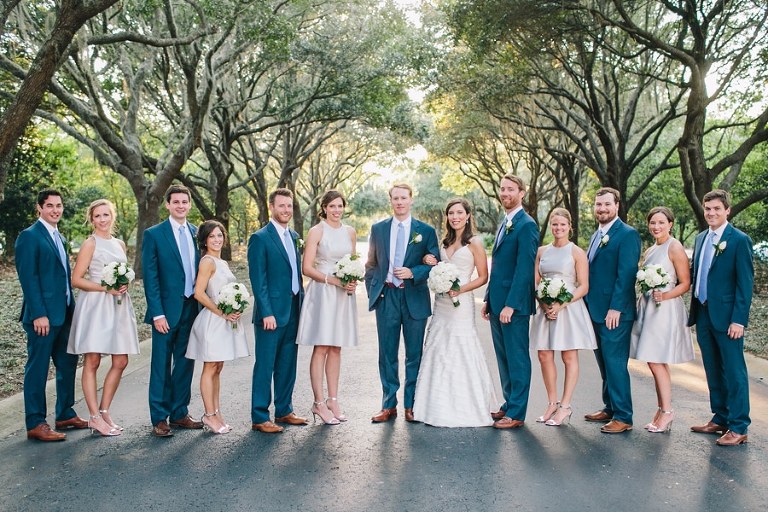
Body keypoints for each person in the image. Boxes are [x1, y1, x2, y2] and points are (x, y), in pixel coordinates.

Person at [412, 198, 497, 427]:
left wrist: (459, 289)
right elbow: (439, 266)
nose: (455, 217)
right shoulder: (444, 241)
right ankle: (433, 404)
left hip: (461, 303)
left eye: (460, 212)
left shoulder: (475, 242)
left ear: (468, 215)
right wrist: (428, 260)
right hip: (441, 304)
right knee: (438, 346)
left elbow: (483, 276)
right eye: (451, 213)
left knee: (460, 346)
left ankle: (467, 404)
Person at [15, 189, 87, 441]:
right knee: (38, 368)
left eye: (58, 205)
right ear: (39, 208)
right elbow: (28, 278)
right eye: (50, 206)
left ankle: (65, 413)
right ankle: (35, 422)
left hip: (65, 313)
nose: (55, 210)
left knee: (67, 364)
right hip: (42, 317)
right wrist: (38, 314)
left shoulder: (60, 237)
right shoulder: (29, 237)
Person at [365, 183, 439, 423]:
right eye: (395, 198)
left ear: (411, 200)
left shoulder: (425, 231)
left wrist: (414, 272)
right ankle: (388, 405)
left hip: (413, 297)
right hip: (387, 297)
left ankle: (412, 404)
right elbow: (371, 264)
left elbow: (433, 263)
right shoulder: (378, 229)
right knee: (387, 354)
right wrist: (373, 291)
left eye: (403, 198)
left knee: (414, 354)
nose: (399, 202)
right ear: (390, 200)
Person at [68, 199, 140, 436]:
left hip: (118, 305)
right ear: (92, 219)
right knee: (93, 361)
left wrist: (122, 284)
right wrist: (104, 288)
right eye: (97, 216)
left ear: (113, 216)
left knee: (121, 361)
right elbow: (76, 279)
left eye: (106, 215)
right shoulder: (90, 243)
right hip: (96, 305)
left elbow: (124, 272)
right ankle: (95, 417)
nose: (102, 220)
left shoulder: (119, 243)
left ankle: (105, 410)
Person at [688, 189, 754, 446]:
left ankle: (739, 426)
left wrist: (739, 320)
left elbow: (745, 284)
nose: (711, 213)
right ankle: (721, 416)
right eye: (707, 209)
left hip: (728, 318)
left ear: (727, 210)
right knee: (713, 368)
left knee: (735, 371)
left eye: (716, 208)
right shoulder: (701, 237)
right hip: (703, 313)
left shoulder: (739, 240)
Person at [142, 184, 203, 437]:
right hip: (165, 311)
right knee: (160, 365)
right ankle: (159, 417)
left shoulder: (197, 233)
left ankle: (179, 413)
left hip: (191, 307)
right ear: (168, 205)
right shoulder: (154, 234)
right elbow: (151, 276)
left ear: (189, 205)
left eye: (184, 202)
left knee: (185, 363)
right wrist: (157, 313)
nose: (180, 206)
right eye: (175, 202)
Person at [296, 191, 359, 425]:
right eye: (332, 206)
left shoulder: (350, 231)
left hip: (343, 294)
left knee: (336, 348)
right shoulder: (317, 231)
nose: (336, 210)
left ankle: (333, 399)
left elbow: (352, 263)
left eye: (340, 205)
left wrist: (352, 282)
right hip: (323, 292)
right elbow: (307, 267)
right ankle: (318, 402)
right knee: (321, 347)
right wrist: (333, 281)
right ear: (324, 208)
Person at [529, 208, 596, 427]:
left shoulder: (576, 252)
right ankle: (552, 402)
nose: (558, 228)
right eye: (554, 224)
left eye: (562, 225)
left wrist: (561, 303)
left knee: (568, 356)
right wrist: (544, 303)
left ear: (570, 227)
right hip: (545, 307)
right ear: (550, 226)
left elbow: (584, 286)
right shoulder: (541, 251)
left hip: (569, 308)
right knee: (544, 355)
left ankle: (565, 406)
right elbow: (536, 282)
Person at [249, 188, 308, 433]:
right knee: (265, 364)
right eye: (281, 206)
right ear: (272, 207)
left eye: (289, 206)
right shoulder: (260, 238)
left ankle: (284, 410)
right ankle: (260, 416)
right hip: (271, 313)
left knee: (287, 363)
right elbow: (258, 279)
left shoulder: (294, 235)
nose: (286, 210)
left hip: (294, 308)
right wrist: (266, 312)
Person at [482, 174, 539, 429]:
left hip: (513, 306)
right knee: (503, 357)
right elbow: (499, 267)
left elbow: (524, 269)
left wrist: (511, 305)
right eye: (502, 189)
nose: (505, 193)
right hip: (497, 302)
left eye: (510, 189)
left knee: (517, 358)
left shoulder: (527, 225)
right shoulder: (505, 222)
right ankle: (509, 402)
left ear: (522, 193)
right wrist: (488, 299)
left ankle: (516, 413)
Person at [629, 207, 693, 434]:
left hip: (665, 309)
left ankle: (667, 412)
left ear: (670, 224)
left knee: (657, 361)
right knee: (653, 361)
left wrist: (664, 295)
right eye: (652, 223)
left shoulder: (674, 247)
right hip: (649, 307)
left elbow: (685, 283)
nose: (656, 227)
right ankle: (661, 409)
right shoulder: (650, 250)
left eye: (661, 223)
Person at [583, 187, 641, 434]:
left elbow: (626, 274)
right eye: (598, 205)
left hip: (615, 312)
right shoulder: (597, 235)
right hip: (594, 310)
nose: (602, 209)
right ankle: (610, 407)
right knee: (604, 362)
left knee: (615, 363)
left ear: (617, 205)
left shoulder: (627, 234)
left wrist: (616, 308)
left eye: (607, 204)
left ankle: (624, 415)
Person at [186, 220, 250, 434]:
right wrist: (222, 312)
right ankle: (208, 414)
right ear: (204, 240)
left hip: (224, 320)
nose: (217, 239)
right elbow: (199, 293)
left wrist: (236, 305)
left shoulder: (220, 261)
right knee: (210, 367)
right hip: (213, 321)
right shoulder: (207, 262)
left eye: (220, 235)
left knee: (218, 368)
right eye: (212, 236)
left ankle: (216, 412)